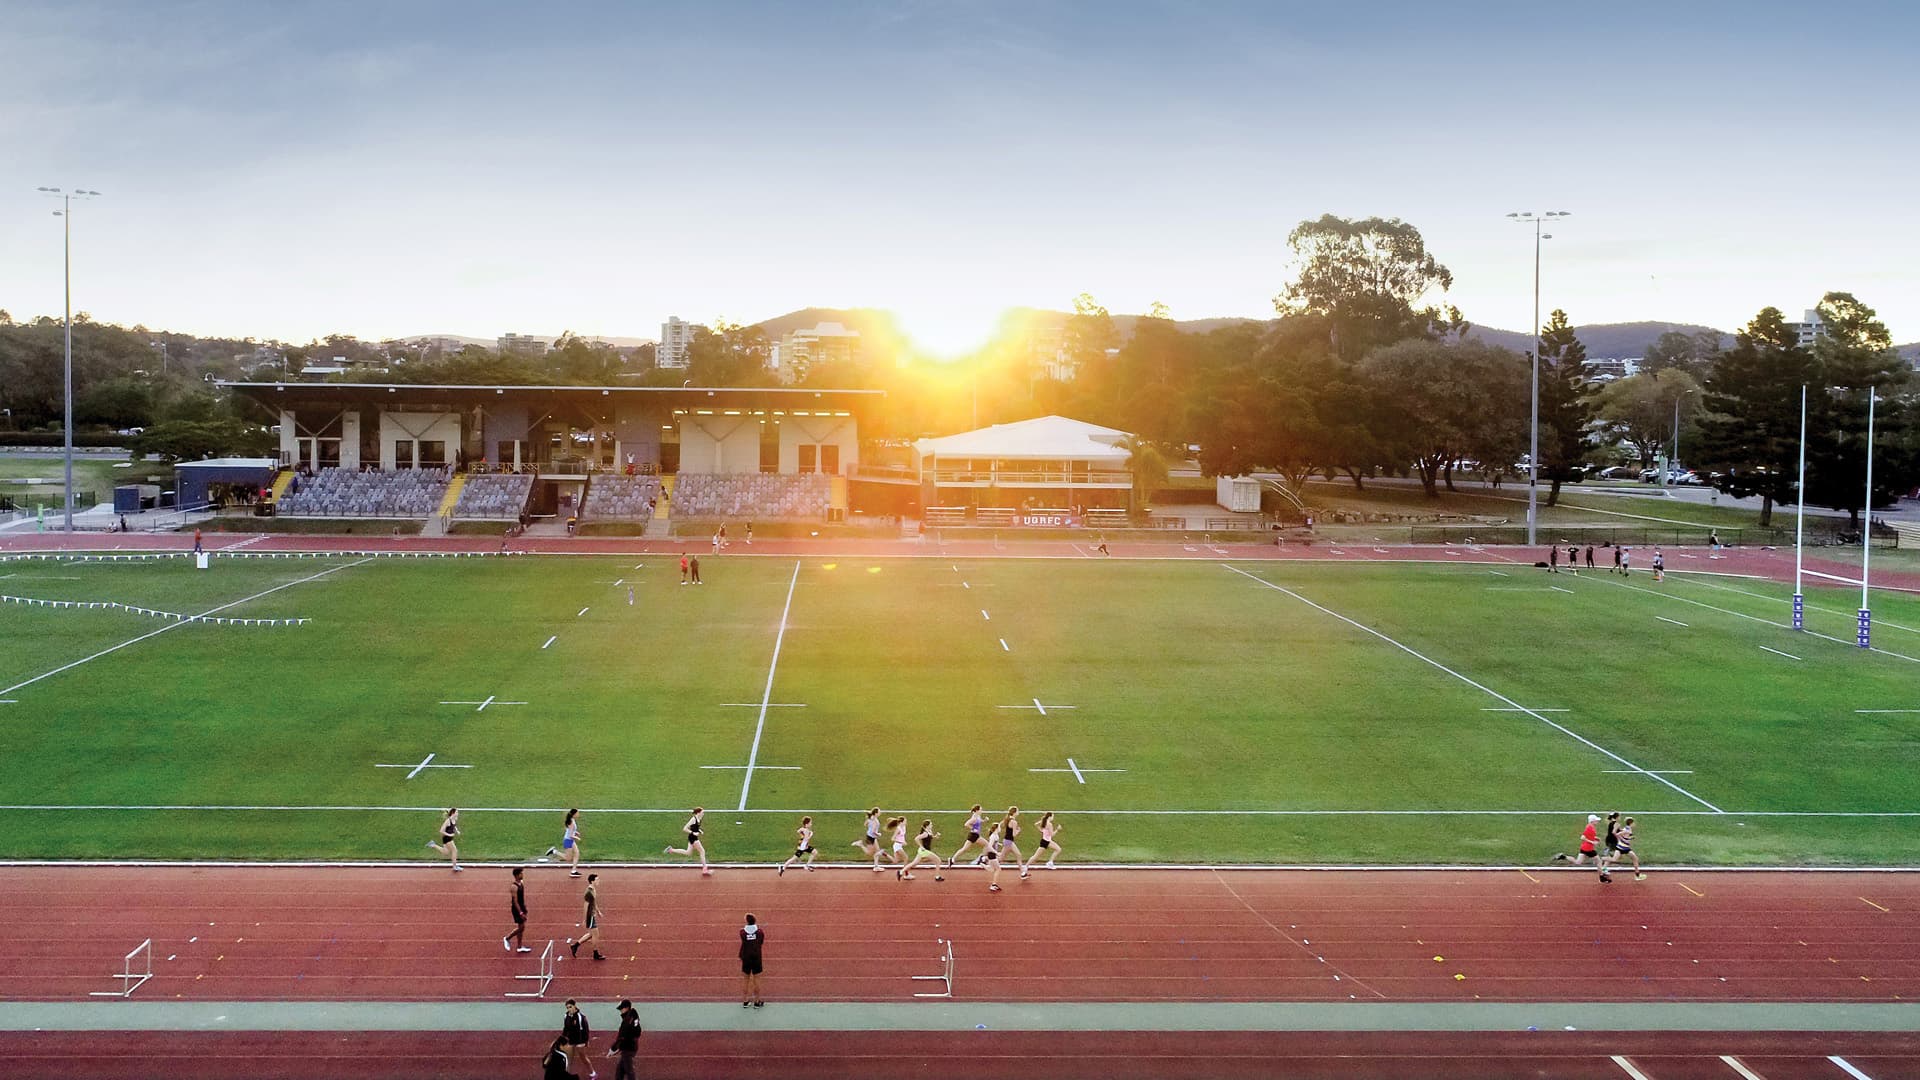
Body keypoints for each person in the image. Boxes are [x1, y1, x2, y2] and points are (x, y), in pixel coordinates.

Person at [568, 874, 606, 960]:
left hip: (592, 915)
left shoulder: (593, 890)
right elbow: (585, 906)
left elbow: (594, 902)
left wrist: (598, 911)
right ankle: (595, 954)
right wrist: (585, 919)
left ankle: (575, 946)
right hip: (590, 916)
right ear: (592, 881)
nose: (599, 881)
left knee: (591, 934)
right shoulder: (589, 892)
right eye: (597, 879)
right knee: (595, 935)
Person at [664, 808, 711, 874]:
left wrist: (700, 830)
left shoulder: (699, 819)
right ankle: (705, 869)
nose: (703, 814)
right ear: (698, 813)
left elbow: (695, 827)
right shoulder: (693, 819)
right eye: (702, 812)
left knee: (688, 852)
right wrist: (693, 833)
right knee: (702, 851)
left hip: (693, 837)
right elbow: (685, 828)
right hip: (693, 838)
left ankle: (671, 850)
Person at [607, 1000, 642, 1080]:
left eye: (621, 1008)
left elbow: (622, 1037)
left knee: (629, 1072)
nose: (620, 1011)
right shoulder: (634, 1017)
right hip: (630, 1046)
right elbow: (638, 1032)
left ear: (627, 1008)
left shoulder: (627, 1021)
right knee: (619, 1072)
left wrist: (613, 1049)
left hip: (628, 1049)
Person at [561, 1000, 594, 1080]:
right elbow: (565, 1028)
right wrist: (563, 1039)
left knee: (583, 1058)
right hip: (571, 1041)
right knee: (569, 1059)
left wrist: (585, 1042)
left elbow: (585, 1030)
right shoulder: (566, 1016)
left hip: (580, 1041)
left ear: (575, 1006)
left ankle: (593, 1073)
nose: (569, 1009)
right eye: (567, 1007)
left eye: (570, 1007)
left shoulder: (580, 1017)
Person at [739, 914, 766, 1008]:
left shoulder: (742, 932)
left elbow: (744, 939)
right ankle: (757, 1001)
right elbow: (761, 942)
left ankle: (745, 1001)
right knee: (756, 979)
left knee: (746, 979)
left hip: (746, 957)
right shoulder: (760, 932)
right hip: (756, 957)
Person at [503, 867, 531, 954]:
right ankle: (507, 938)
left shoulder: (521, 883)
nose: (522, 875)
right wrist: (521, 912)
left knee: (521, 927)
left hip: (521, 907)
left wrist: (524, 907)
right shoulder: (514, 887)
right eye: (521, 873)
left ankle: (519, 947)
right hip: (517, 909)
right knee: (521, 927)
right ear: (517, 875)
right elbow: (515, 901)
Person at [982, 822, 1007, 892]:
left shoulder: (996, 835)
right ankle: (993, 885)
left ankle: (983, 864)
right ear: (996, 828)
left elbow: (994, 843)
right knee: (998, 869)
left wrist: (1000, 844)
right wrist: (996, 853)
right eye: (999, 827)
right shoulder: (993, 836)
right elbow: (989, 846)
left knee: (992, 869)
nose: (1000, 829)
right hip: (992, 854)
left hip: (992, 854)